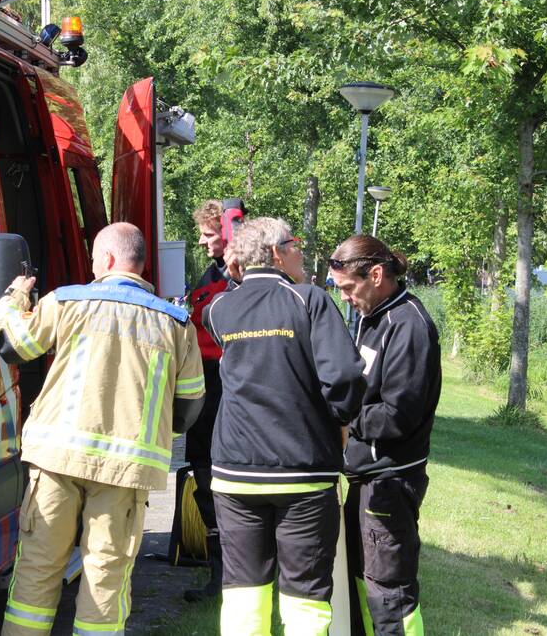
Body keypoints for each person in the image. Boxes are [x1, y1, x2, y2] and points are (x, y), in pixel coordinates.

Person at [0, 222, 206, 636]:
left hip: (57, 461)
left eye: (93, 259)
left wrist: (15, 295)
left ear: (107, 259)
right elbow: (189, 404)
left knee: (37, 569)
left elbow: (11, 344)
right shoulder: (176, 323)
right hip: (125, 472)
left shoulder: (67, 302)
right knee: (105, 580)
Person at [204, 217, 366, 635]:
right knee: (306, 595)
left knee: (243, 591)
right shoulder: (309, 300)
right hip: (303, 470)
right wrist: (342, 421)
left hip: (235, 473)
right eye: (295, 245)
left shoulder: (219, 310)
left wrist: (234, 270)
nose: (301, 253)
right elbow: (346, 376)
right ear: (277, 253)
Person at [327, 235, 441, 636]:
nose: (345, 298)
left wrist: (343, 417)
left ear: (376, 275)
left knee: (389, 593)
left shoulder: (408, 325)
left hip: (391, 480)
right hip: (366, 477)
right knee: (362, 580)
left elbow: (398, 415)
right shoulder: (373, 316)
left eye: (348, 288)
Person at [184, 199, 235, 602]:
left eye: (209, 235)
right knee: (204, 476)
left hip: (223, 385)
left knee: (220, 479)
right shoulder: (212, 272)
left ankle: (230, 575)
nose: (202, 242)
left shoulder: (239, 279)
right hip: (203, 384)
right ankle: (217, 576)